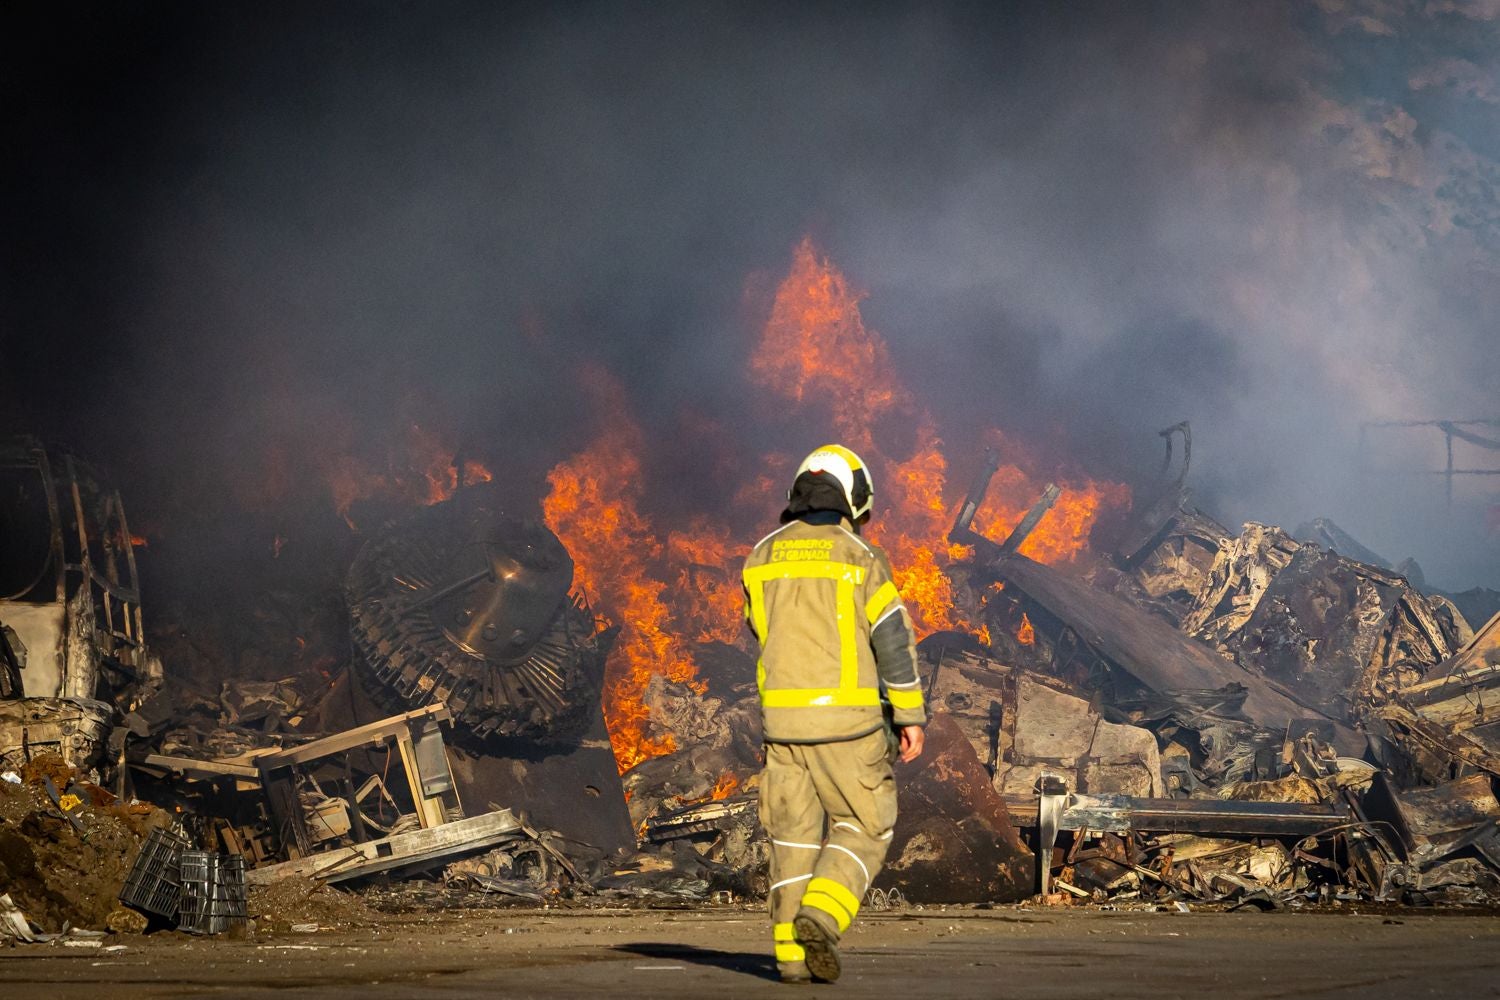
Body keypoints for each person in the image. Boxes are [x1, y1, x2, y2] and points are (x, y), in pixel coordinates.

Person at [741, 443, 927, 984]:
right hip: (848, 726)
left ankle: (790, 960)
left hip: (782, 728)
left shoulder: (761, 555)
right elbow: (892, 640)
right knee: (865, 824)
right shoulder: (859, 557)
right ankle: (821, 916)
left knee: (792, 840)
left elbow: (759, 629)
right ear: (852, 499)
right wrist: (909, 714)